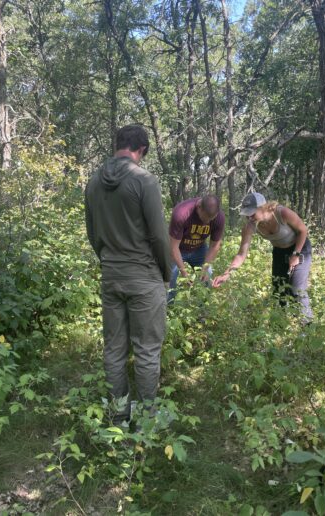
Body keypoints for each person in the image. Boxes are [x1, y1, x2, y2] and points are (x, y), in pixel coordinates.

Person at [85, 124, 171, 425]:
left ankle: (119, 416)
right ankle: (147, 418)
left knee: (114, 349)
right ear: (142, 150)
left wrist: (108, 261)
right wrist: (165, 273)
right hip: (144, 276)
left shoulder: (94, 181)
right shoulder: (144, 180)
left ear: (118, 144)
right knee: (147, 350)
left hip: (111, 274)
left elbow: (93, 234)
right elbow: (160, 235)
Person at [212, 192, 313, 323]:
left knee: (297, 289)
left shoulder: (282, 213)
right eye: (247, 214)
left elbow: (303, 230)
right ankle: (280, 326)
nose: (249, 218)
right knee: (279, 291)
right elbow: (241, 254)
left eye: (252, 213)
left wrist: (296, 254)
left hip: (300, 248)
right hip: (279, 252)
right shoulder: (250, 226)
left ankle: (307, 327)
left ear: (263, 207)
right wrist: (227, 273)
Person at [168, 195, 225, 302]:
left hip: (199, 248)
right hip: (178, 248)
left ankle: (202, 312)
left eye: (210, 219)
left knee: (207, 275)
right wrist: (184, 273)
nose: (207, 222)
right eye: (204, 218)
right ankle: (168, 307)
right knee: (170, 277)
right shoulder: (181, 213)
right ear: (199, 207)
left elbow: (214, 245)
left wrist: (205, 267)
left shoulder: (219, 218)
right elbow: (173, 247)